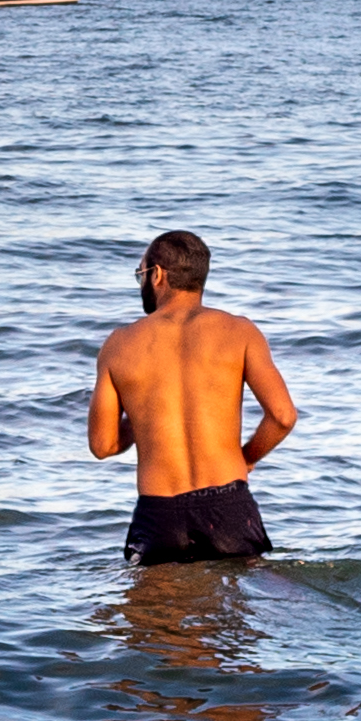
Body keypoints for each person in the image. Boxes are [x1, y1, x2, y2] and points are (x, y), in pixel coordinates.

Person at [89, 229, 298, 567]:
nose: (141, 282)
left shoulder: (119, 344)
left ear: (158, 275)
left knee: (152, 616)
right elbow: (283, 416)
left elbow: (103, 445)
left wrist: (142, 410)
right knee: (236, 613)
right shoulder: (240, 331)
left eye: (140, 273)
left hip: (159, 512)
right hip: (227, 505)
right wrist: (245, 457)